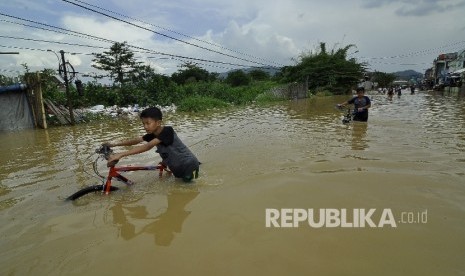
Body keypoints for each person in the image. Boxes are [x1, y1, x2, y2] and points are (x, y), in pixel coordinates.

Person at [104, 107, 200, 182]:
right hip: (176, 167)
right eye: (143, 123)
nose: (145, 126)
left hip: (188, 165)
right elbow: (136, 140)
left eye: (148, 123)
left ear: (158, 123)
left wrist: (121, 154)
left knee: (187, 190)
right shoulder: (153, 134)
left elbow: (148, 146)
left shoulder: (167, 130)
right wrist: (114, 144)